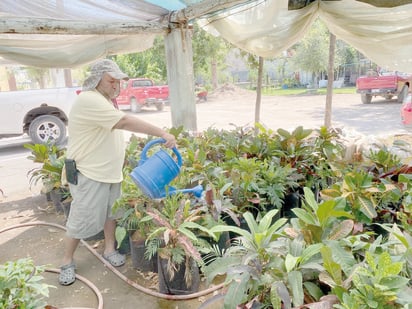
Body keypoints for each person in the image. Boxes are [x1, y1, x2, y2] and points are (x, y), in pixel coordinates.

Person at [58, 59, 176, 286]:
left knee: (111, 213)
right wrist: (161, 132)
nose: (116, 85)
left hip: (108, 172)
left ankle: (109, 249)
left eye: (119, 81)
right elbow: (123, 122)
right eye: (111, 80)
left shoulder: (106, 101)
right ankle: (66, 261)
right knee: (80, 218)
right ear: (96, 80)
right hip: (88, 172)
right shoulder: (89, 99)